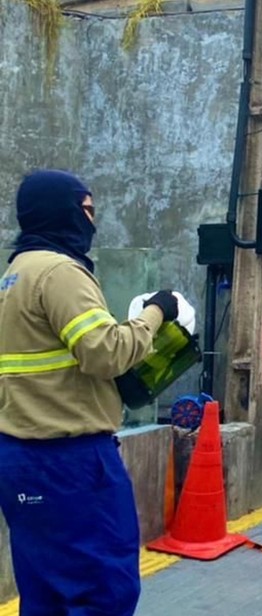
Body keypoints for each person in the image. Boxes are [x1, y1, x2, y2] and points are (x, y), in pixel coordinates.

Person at [0, 170, 178, 616]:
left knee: (46, 592)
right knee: (102, 589)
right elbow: (105, 352)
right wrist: (156, 312)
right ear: (61, 209)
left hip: (22, 458)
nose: (92, 222)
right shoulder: (60, 272)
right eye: (86, 210)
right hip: (71, 463)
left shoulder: (14, 274)